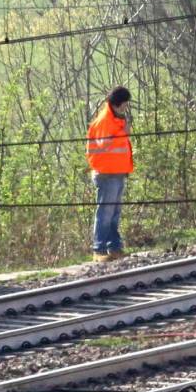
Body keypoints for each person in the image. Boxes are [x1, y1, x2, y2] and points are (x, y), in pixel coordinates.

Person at [86, 86, 134, 262]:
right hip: (106, 174)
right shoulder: (105, 121)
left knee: (114, 213)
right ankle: (99, 250)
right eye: (124, 104)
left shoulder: (116, 118)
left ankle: (114, 247)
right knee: (105, 213)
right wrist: (124, 133)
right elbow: (103, 145)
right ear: (117, 104)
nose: (126, 108)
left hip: (117, 172)